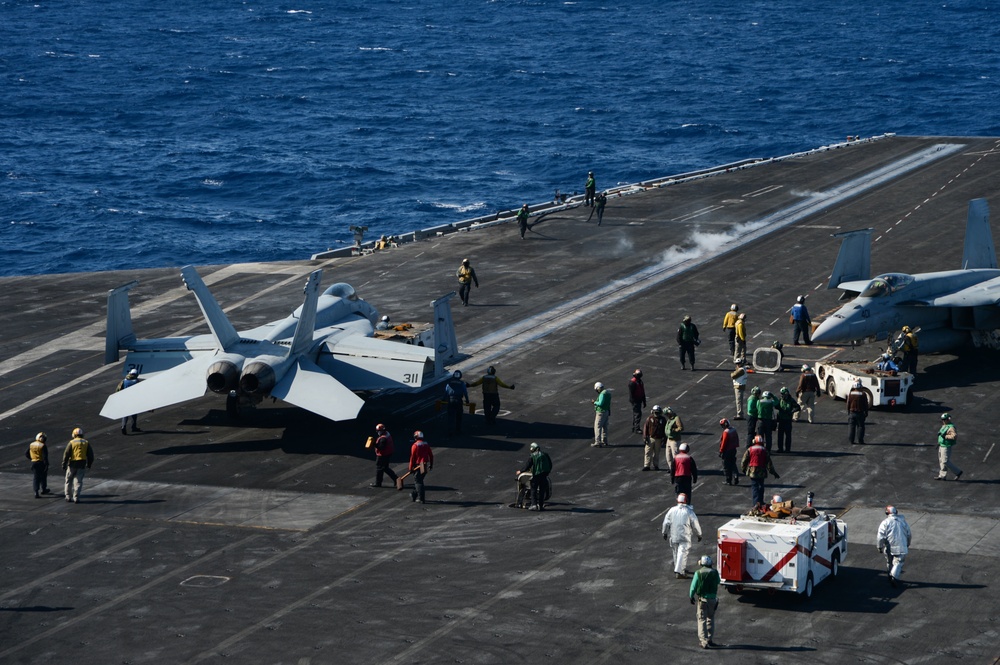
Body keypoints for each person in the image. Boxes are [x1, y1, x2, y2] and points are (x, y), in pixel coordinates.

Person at [662, 493, 702, 579]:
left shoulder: (671, 510)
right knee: (682, 553)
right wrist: (699, 534)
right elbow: (695, 523)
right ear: (686, 501)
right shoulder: (689, 511)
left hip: (674, 536)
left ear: (677, 500)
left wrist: (664, 533)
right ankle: (680, 572)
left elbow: (666, 522)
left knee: (676, 552)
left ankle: (677, 568)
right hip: (685, 536)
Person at [689, 555, 721, 649]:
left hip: (702, 600)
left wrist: (691, 596)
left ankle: (703, 641)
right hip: (713, 600)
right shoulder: (715, 572)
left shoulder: (698, 573)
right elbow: (718, 581)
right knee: (710, 618)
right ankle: (709, 639)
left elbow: (693, 587)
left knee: (702, 619)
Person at [741, 434, 780, 509]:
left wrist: (744, 469)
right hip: (762, 471)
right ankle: (761, 501)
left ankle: (756, 503)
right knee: (761, 486)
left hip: (753, 471)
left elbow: (744, 461)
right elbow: (769, 464)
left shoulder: (750, 449)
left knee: (755, 487)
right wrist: (774, 473)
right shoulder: (764, 450)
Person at [877, 505, 912, 587]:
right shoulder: (903, 521)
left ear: (887, 513)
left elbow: (880, 536)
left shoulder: (885, 522)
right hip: (901, 546)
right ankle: (894, 577)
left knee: (889, 561)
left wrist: (879, 546)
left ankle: (890, 574)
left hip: (889, 547)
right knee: (898, 562)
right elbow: (909, 534)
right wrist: (908, 543)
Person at [62, 427, 94, 504]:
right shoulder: (86, 442)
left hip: (72, 464)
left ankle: (68, 496)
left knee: (68, 481)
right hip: (82, 464)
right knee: (78, 482)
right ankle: (76, 497)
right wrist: (89, 464)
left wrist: (64, 464)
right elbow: (90, 455)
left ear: (74, 435)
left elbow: (66, 454)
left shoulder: (71, 442)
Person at [520, 442, 553, 511]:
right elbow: (550, 464)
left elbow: (528, 465)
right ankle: (541, 506)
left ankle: (534, 504)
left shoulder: (532, 456)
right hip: (544, 475)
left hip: (536, 475)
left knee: (533, 490)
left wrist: (521, 471)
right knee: (542, 491)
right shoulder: (545, 454)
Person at [935, 413, 963, 480]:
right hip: (941, 445)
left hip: (946, 446)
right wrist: (939, 442)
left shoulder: (951, 427)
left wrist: (945, 436)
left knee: (945, 461)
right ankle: (942, 475)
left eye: (944, 419)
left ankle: (958, 472)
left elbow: (954, 436)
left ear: (948, 419)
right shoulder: (944, 425)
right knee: (941, 461)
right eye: (942, 420)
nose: (943, 421)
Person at [370, 423, 398, 488]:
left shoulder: (383, 439)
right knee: (385, 468)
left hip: (382, 455)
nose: (378, 432)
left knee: (379, 468)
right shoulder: (387, 434)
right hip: (388, 453)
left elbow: (381, 447)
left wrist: (374, 444)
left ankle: (378, 483)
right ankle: (396, 479)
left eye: (378, 431)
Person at [409, 431, 433, 504]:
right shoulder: (426, 444)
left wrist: (410, 468)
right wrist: (431, 464)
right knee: (419, 480)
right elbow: (431, 455)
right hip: (424, 465)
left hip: (418, 465)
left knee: (418, 482)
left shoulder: (415, 445)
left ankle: (421, 498)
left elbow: (412, 457)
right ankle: (414, 495)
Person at [25, 432, 52, 498]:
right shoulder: (43, 445)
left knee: (36, 478)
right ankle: (44, 489)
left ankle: (36, 492)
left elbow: (26, 453)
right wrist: (47, 465)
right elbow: (45, 456)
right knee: (43, 476)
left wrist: (32, 458)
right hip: (41, 463)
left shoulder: (31, 444)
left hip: (34, 463)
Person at [116, 368, 142, 435]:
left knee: (125, 414)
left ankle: (123, 426)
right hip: (133, 399)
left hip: (125, 399)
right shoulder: (136, 381)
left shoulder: (124, 380)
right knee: (134, 414)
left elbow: (118, 389)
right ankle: (133, 427)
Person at [642, 405, 667, 471]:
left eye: (658, 412)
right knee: (647, 452)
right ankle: (646, 465)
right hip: (650, 438)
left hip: (659, 439)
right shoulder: (649, 418)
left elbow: (665, 429)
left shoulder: (663, 420)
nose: (656, 414)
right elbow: (645, 427)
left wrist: (665, 438)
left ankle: (656, 465)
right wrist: (645, 436)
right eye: (655, 412)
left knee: (656, 453)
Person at [775, 387, 800, 453]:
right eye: (781, 394)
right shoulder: (780, 399)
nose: (782, 395)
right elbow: (776, 406)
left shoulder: (791, 400)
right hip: (781, 420)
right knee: (780, 435)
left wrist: (791, 412)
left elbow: (797, 407)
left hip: (788, 420)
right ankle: (780, 448)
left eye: (783, 394)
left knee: (788, 435)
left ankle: (787, 449)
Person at [444, 370, 469, 435]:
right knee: (459, 415)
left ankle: (450, 430)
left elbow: (446, 392)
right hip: (458, 400)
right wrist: (467, 400)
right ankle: (458, 429)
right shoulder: (462, 383)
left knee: (451, 416)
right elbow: (465, 392)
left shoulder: (449, 383)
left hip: (451, 400)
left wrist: (443, 399)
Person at [846, 379, 869, 445]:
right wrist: (866, 412)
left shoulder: (850, 394)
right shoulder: (863, 394)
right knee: (860, 426)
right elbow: (866, 404)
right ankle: (860, 440)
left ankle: (851, 440)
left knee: (851, 427)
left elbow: (848, 404)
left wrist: (848, 411)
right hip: (860, 413)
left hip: (852, 412)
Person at [718, 418, 740, 486]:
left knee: (726, 466)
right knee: (733, 463)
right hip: (733, 449)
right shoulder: (733, 429)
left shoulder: (726, 432)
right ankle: (736, 475)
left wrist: (721, 451)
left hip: (727, 450)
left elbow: (723, 443)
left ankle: (728, 480)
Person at [592, 381, 611, 447]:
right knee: (605, 427)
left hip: (600, 412)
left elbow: (600, 403)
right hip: (606, 411)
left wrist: (595, 402)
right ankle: (605, 441)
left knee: (597, 427)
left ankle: (597, 441)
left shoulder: (602, 394)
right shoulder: (608, 393)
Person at [627, 368, 647, 433]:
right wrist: (633, 401)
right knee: (637, 414)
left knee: (636, 414)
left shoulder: (640, 381)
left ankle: (634, 427)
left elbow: (642, 392)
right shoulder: (632, 383)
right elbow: (631, 394)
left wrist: (644, 401)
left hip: (639, 400)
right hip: (636, 401)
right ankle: (636, 428)